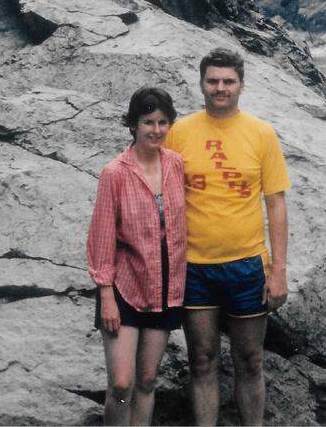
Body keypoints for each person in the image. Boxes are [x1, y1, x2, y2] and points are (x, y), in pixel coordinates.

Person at [166, 48, 290, 426]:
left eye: (228, 81)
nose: (220, 88)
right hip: (195, 268)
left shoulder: (262, 133)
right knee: (201, 360)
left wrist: (279, 270)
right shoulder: (179, 132)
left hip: (247, 265)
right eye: (213, 81)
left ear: (241, 85)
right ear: (202, 83)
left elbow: (276, 205)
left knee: (250, 359)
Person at [86, 87, 187, 426]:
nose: (155, 130)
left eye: (162, 122)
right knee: (121, 384)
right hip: (123, 292)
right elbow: (101, 237)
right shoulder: (115, 172)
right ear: (133, 125)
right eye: (147, 122)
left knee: (146, 381)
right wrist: (105, 295)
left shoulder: (176, 165)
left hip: (165, 290)